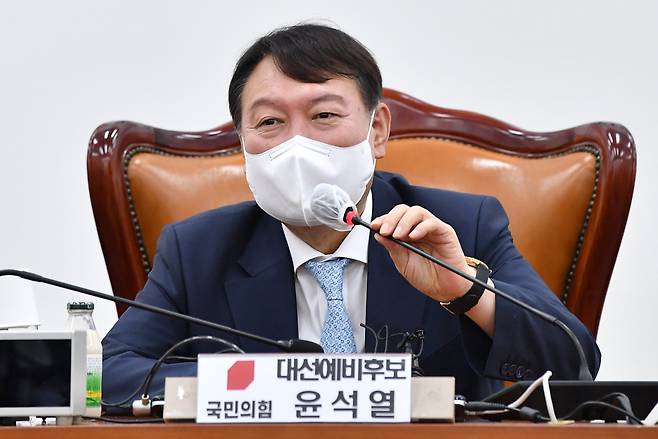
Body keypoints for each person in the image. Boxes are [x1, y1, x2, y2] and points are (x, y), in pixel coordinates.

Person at [102, 23, 600, 409]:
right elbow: (109, 374)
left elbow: (575, 361)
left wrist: (464, 289)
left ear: (377, 130)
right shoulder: (199, 250)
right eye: (270, 122)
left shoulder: (460, 226)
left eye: (324, 116)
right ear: (244, 146)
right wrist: (271, 386)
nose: (298, 145)